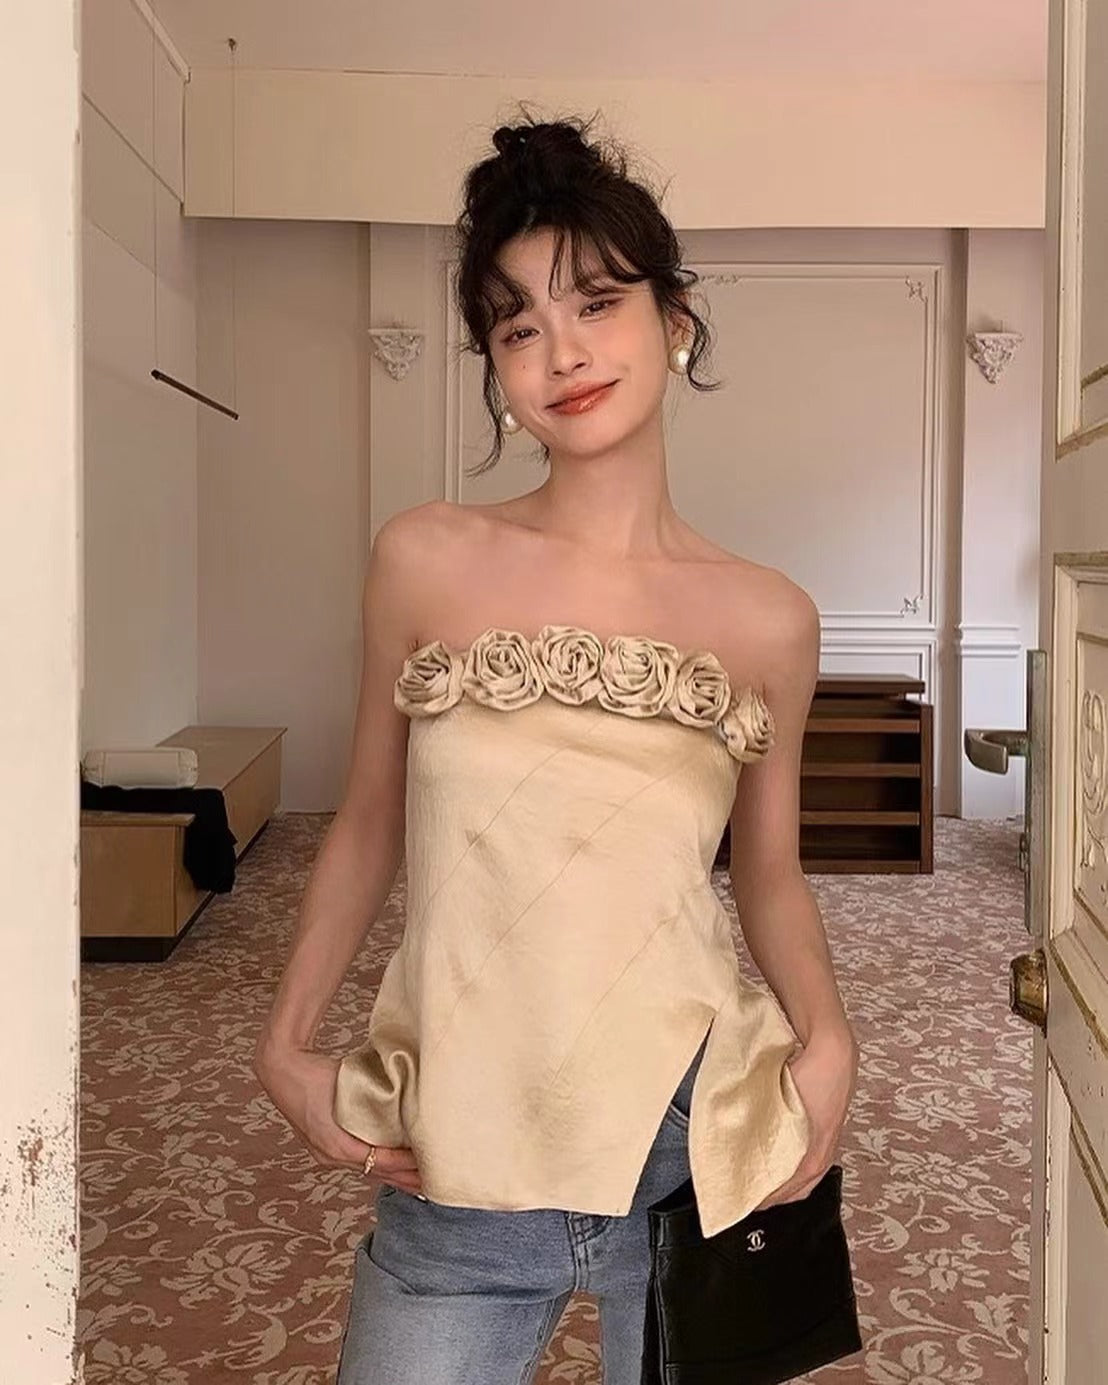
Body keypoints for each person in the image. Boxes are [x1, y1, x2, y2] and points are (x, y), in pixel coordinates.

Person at [252, 110, 859, 1385]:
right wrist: (286, 1040)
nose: (561, 351)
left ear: (674, 320)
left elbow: (767, 873)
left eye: (595, 302)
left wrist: (828, 1037)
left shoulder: (767, 618)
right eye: (517, 325)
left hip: (693, 1147)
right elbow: (366, 819)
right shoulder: (425, 558)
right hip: (459, 1150)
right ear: (493, 364)